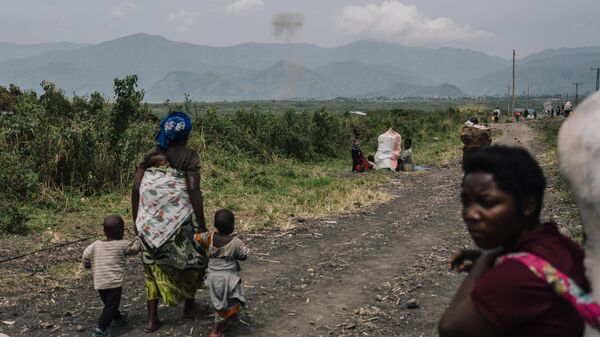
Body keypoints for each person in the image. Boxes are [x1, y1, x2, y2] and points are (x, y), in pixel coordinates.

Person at [438, 146, 590, 337]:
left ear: (528, 204)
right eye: (466, 201)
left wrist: (487, 258)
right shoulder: (557, 244)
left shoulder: (519, 273)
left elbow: (451, 328)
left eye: (487, 202)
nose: (470, 214)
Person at [132, 111, 208, 333]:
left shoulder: (150, 156)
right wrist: (201, 226)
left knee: (152, 267)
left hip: (148, 221)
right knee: (195, 258)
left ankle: (152, 319)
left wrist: (137, 219)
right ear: (186, 134)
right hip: (179, 219)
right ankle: (189, 304)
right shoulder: (190, 156)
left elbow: (137, 188)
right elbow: (193, 189)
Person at [82, 215, 141, 337]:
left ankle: (118, 319)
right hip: (113, 283)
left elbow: (86, 255)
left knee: (109, 304)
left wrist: (88, 265)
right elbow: (135, 249)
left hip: (99, 283)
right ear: (121, 231)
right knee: (111, 306)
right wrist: (139, 238)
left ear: (104, 231)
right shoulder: (122, 244)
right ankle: (100, 329)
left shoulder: (95, 245)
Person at [195, 209, 249, 337]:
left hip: (212, 276)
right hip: (228, 278)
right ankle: (215, 331)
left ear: (215, 225)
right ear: (232, 226)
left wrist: (202, 250)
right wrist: (240, 242)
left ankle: (229, 319)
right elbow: (245, 254)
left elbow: (196, 239)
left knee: (221, 301)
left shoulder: (208, 237)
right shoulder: (235, 242)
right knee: (230, 303)